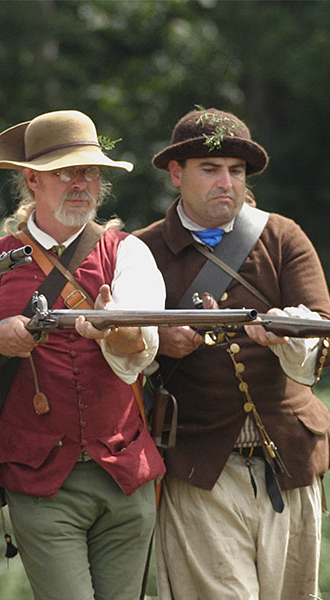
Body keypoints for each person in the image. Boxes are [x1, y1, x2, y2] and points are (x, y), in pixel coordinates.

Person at [0, 110, 167, 600]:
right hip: (38, 479)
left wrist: (116, 330)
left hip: (124, 472)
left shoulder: (127, 253)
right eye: (67, 171)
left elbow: (143, 348)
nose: (81, 183)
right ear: (31, 180)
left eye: (90, 172)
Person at [135, 107, 330, 600]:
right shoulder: (141, 251)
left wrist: (292, 336)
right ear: (176, 174)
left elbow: (323, 334)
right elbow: (122, 348)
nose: (227, 182)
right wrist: (161, 343)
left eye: (236, 171)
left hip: (291, 461)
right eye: (210, 168)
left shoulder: (283, 236)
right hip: (199, 466)